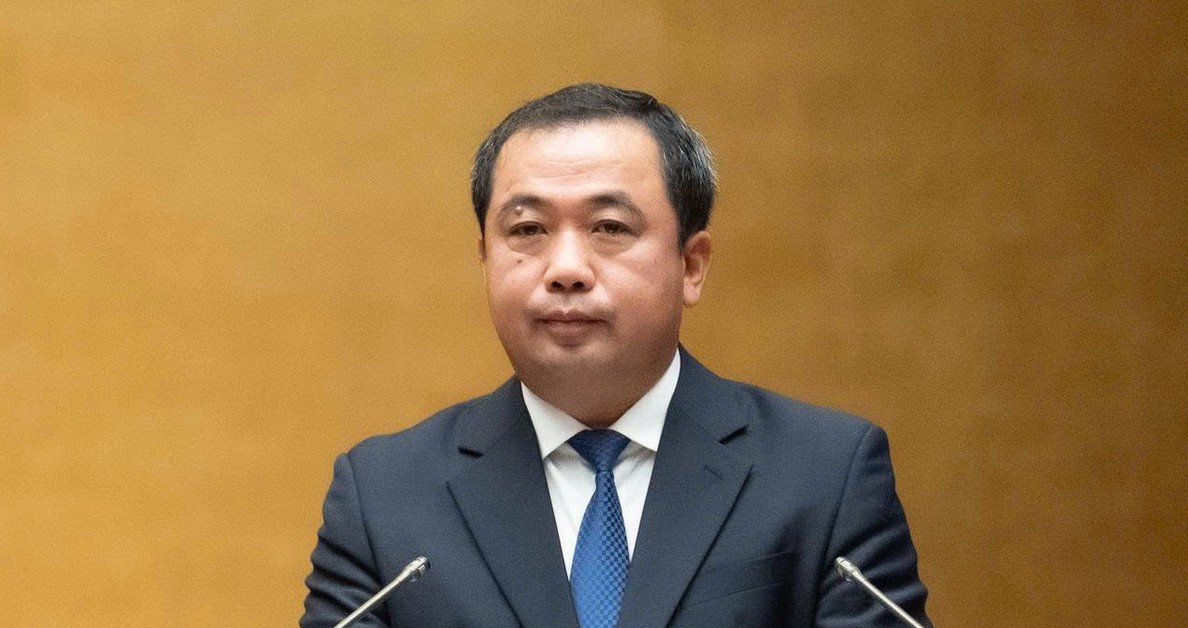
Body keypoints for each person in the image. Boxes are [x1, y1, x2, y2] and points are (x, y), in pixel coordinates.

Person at [301, 83, 930, 627]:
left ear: (691, 265)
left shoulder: (824, 475)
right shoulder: (385, 498)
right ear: (486, 258)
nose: (566, 269)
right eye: (527, 230)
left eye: (609, 228)